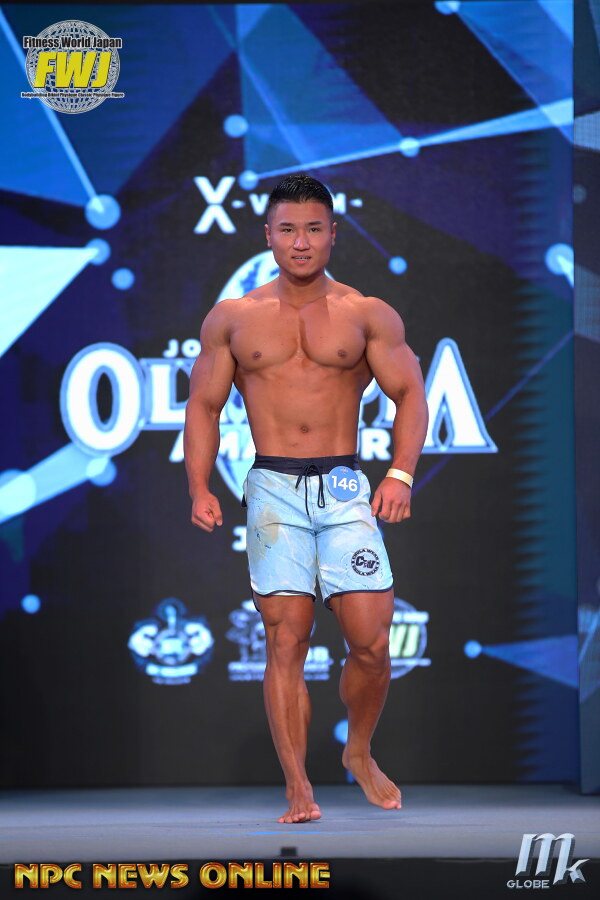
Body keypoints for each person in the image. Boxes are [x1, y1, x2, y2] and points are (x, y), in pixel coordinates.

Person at [183, 174, 428, 824]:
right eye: (288, 229)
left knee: (371, 642)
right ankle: (298, 786)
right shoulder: (233, 318)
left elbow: (411, 393)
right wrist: (199, 487)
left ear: (333, 234)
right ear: (268, 235)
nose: (300, 242)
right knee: (285, 639)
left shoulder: (366, 313)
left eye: (313, 229)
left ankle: (359, 751)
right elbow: (203, 406)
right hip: (272, 490)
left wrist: (400, 474)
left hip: (344, 486)